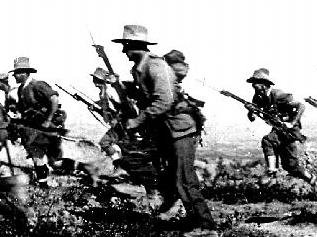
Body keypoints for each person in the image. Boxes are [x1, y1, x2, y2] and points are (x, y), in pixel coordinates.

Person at [112, 25, 218, 236]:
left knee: (185, 179)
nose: (124, 52)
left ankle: (206, 227)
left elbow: (164, 101)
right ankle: (192, 220)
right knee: (173, 177)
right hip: (167, 131)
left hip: (180, 129)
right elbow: (145, 95)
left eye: (126, 46)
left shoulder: (155, 66)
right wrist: (119, 86)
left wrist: (138, 121)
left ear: (136, 46)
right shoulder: (140, 68)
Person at [245, 68, 317, 186]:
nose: (254, 85)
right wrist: (250, 112)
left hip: (290, 130)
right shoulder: (257, 97)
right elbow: (252, 118)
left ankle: (271, 171)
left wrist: (292, 123)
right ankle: (313, 181)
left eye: (256, 82)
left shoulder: (278, 95)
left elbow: (301, 106)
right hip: (278, 129)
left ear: (264, 84)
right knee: (291, 166)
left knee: (268, 141)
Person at [8, 57, 66, 188]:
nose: (14, 76)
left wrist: (48, 119)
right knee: (37, 158)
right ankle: (43, 186)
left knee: (55, 162)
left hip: (47, 129)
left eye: (16, 73)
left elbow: (54, 99)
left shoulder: (38, 85)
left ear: (24, 73)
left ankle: (83, 168)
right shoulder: (21, 89)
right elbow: (24, 110)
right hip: (33, 130)